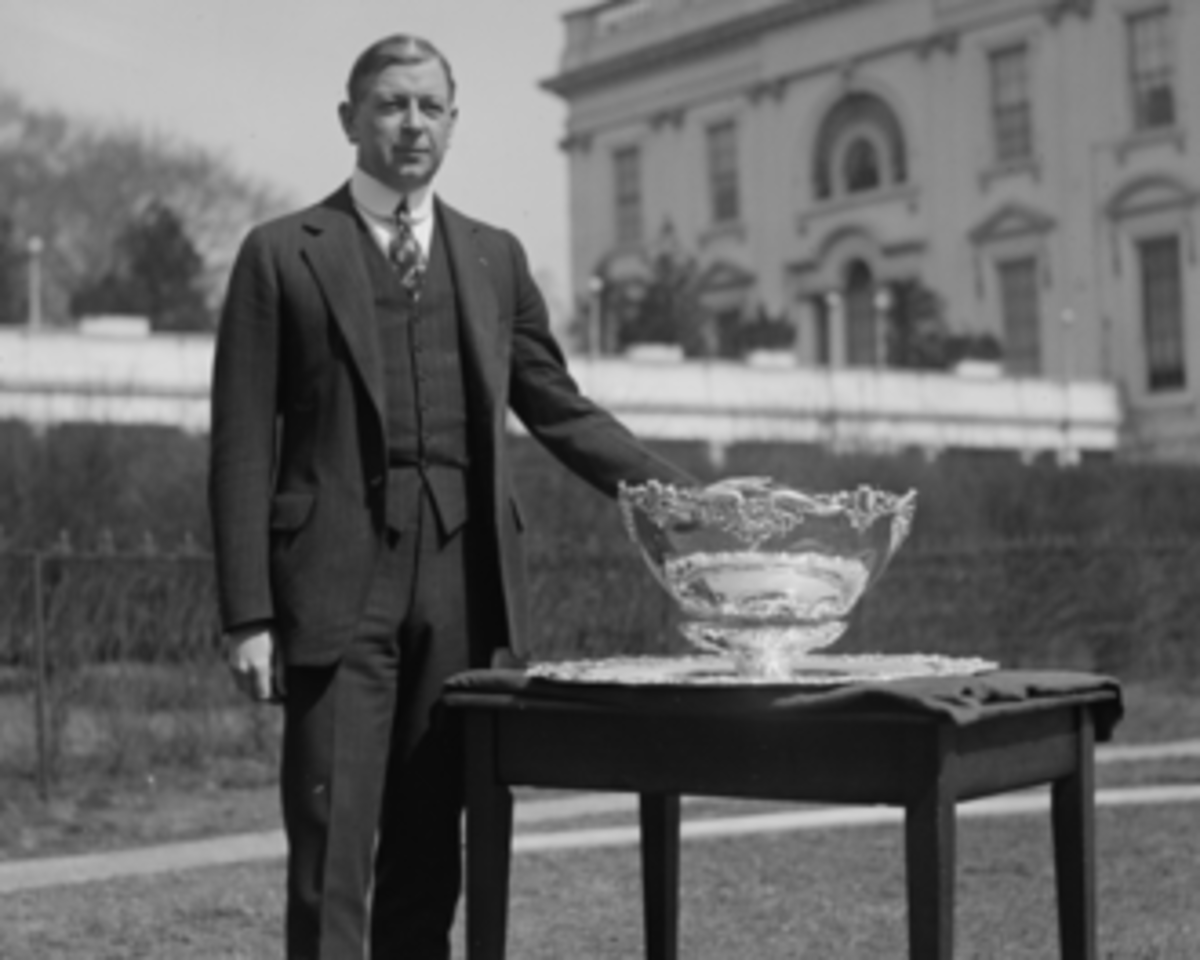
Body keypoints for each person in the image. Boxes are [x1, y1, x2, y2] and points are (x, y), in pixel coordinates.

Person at [208, 33, 692, 960]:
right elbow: (238, 447)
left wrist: (680, 497)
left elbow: (557, 407)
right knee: (331, 859)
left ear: (455, 123)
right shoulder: (280, 254)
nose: (412, 123)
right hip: (331, 588)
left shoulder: (492, 257)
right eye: (391, 104)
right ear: (350, 119)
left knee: (433, 851)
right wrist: (247, 616)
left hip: (464, 589)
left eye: (430, 106)